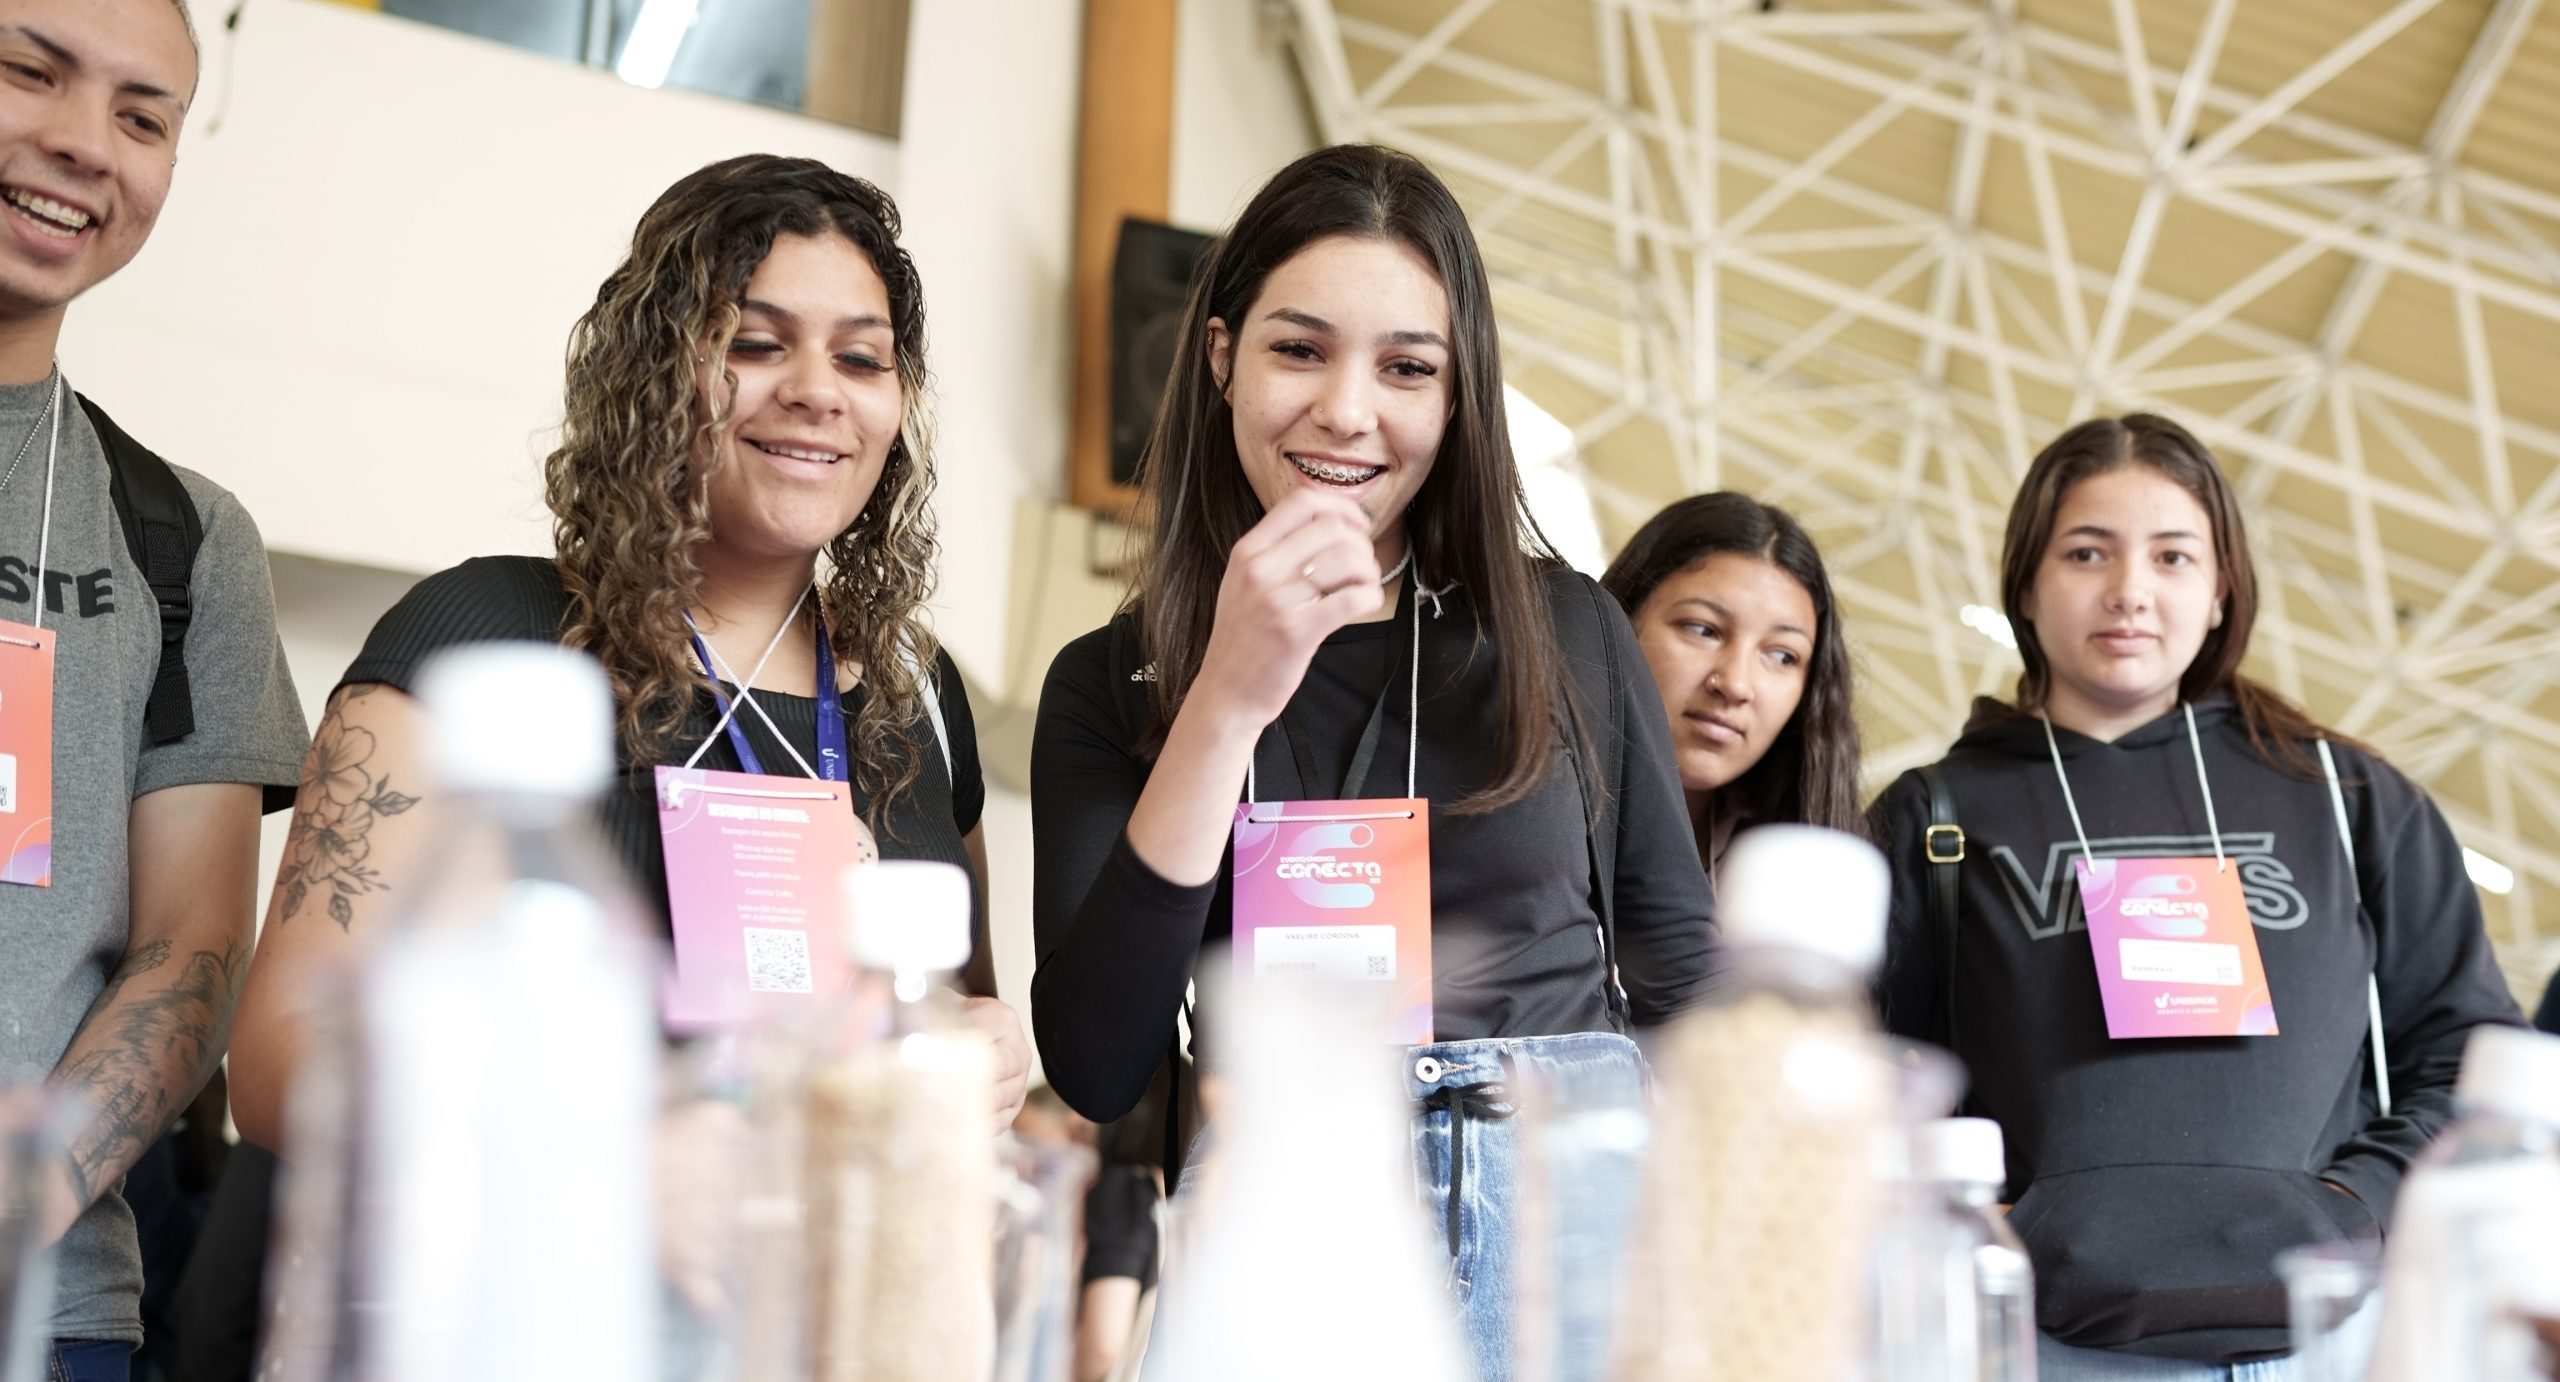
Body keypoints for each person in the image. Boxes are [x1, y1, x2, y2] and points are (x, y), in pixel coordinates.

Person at [1027, 143, 1713, 1380]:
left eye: (1406, 367)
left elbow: (1682, 979)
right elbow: (1093, 1056)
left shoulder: (1566, 633)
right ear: (1223, 354)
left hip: (1561, 1222)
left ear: (1457, 400)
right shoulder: (1113, 676)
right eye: (1300, 348)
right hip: (1287, 1220)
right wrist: (1224, 700)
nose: (1349, 409)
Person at [226, 155, 1031, 1161]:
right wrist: (616, 1167)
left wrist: (985, 1058)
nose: (819, 392)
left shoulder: (916, 694)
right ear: (655, 374)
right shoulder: (484, 636)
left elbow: (947, 1032)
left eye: (862, 360)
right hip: (528, 1300)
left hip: (811, 1303)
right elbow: (277, 1063)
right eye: (754, 342)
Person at [1869, 414, 2523, 1380]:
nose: (2130, 591)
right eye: (2087, 553)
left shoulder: (2346, 802)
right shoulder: (1942, 813)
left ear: (2220, 591)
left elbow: (2469, 1058)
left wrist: (2360, 1208)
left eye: (2172, 557)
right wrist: (1971, 1221)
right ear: (2026, 586)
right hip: (2049, 1342)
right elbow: (1875, 1077)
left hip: (2332, 1332)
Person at [0, 2, 310, 1378]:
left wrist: (19, 1203)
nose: (81, 144)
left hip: (43, 1310)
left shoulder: (184, 538)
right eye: (30, 69)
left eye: (143, 116)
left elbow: (192, 946)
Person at [1600, 491, 1860, 878]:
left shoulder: (1807, 871)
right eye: (1703, 629)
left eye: (1782, 655)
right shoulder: (1521, 818)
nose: (1736, 684)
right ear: (1622, 619)